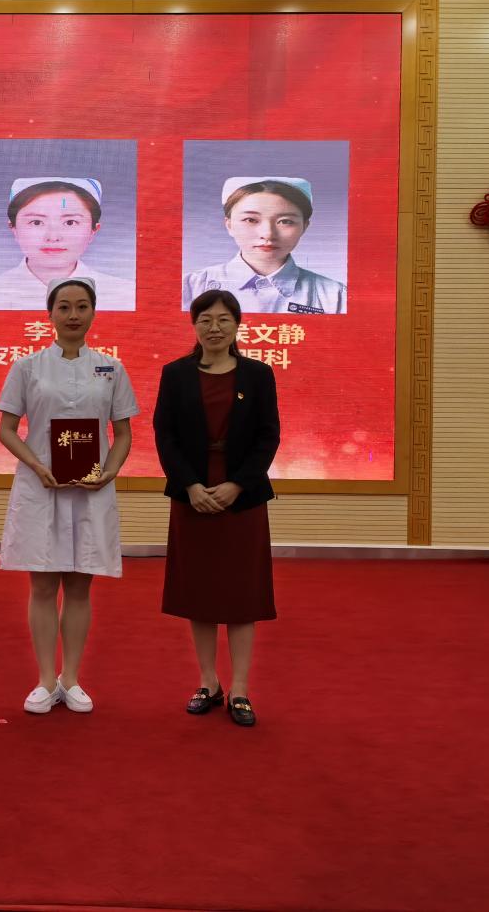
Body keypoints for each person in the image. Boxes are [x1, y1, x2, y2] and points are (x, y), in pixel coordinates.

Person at [0, 276, 139, 715]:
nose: (73, 315)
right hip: (41, 486)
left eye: (81, 306)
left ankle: (71, 678)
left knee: (79, 585)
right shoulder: (27, 367)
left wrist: (110, 470)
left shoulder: (111, 368)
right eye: (64, 307)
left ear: (93, 312)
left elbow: (123, 432)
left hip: (90, 490)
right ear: (50, 314)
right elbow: (7, 430)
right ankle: (45, 679)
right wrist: (37, 464)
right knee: (42, 585)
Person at [154, 289, 280, 727]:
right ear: (194, 325)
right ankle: (208, 682)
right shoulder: (176, 374)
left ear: (237, 325)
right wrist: (190, 485)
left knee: (242, 594)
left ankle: (240, 688)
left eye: (224, 319)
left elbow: (268, 436)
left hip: (242, 497)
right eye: (205, 319)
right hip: (193, 494)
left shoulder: (258, 375)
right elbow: (165, 436)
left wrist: (237, 484)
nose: (214, 327)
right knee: (201, 591)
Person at [182, 176, 346, 314]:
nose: (268, 234)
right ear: (229, 225)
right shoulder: (190, 287)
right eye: (250, 220)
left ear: (304, 226)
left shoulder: (336, 296)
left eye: (285, 221)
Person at [0, 177, 135, 311]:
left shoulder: (125, 295)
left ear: (93, 230)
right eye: (36, 222)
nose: (53, 237)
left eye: (70, 222)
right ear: (13, 228)